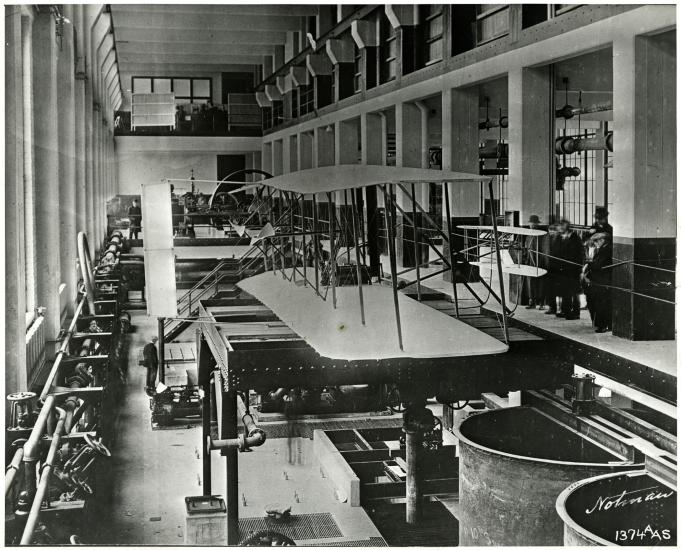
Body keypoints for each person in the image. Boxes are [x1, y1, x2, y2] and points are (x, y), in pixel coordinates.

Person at [582, 232, 612, 333]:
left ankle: (602, 325)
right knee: (599, 304)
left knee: (601, 304)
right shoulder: (602, 249)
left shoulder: (606, 250)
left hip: (602, 281)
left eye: (596, 241)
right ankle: (601, 324)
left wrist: (589, 265)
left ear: (602, 240)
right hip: (599, 280)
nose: (595, 244)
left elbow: (599, 265)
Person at [554, 219, 584, 320]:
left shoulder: (575, 238)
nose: (559, 228)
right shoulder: (559, 238)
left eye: (561, 226)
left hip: (573, 269)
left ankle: (576, 312)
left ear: (566, 227)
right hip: (563, 269)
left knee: (574, 291)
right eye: (559, 226)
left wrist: (579, 268)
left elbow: (580, 254)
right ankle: (565, 310)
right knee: (565, 291)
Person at [524, 215, 545, 309]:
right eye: (530, 223)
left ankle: (541, 303)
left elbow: (544, 250)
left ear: (537, 224)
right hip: (530, 263)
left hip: (540, 263)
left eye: (533, 223)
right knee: (530, 284)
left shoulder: (542, 235)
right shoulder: (528, 236)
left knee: (540, 284)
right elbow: (526, 249)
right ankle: (532, 302)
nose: (531, 225)